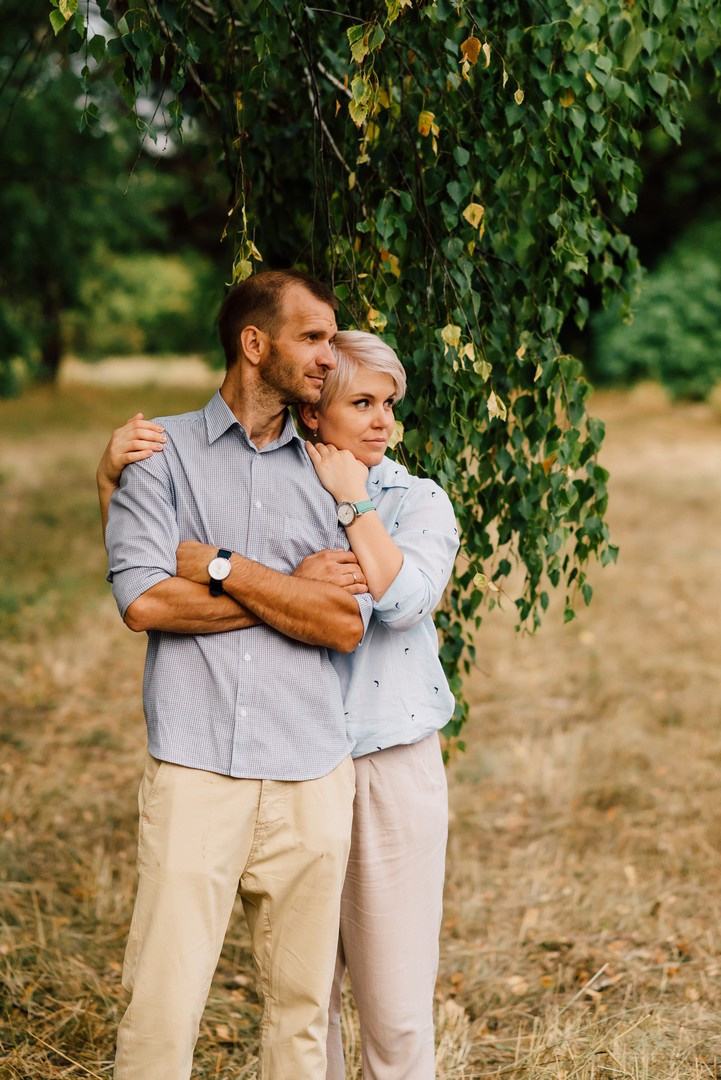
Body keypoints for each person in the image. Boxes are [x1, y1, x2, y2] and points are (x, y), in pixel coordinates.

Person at [99, 326, 460, 1080]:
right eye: (360, 401)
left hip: (387, 763)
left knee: (392, 1007)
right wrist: (111, 486)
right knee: (306, 999)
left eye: (388, 404)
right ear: (314, 411)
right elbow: (150, 575)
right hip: (299, 758)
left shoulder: (409, 499)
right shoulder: (270, 477)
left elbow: (393, 603)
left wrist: (347, 509)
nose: (380, 422)